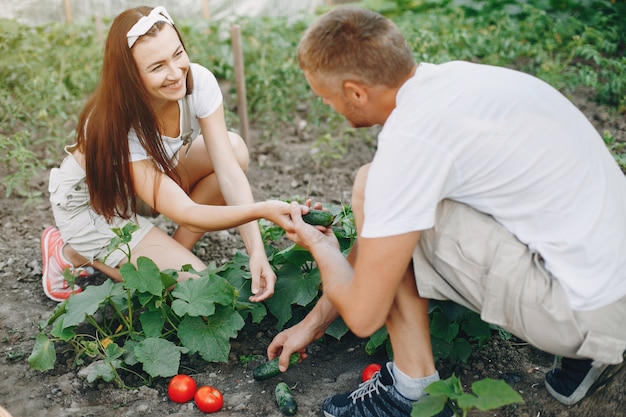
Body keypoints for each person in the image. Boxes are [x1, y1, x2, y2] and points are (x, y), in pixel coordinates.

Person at [267, 6, 626, 417]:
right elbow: (377, 246)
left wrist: (320, 247)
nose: (327, 107)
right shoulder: (453, 82)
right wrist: (312, 324)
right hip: (608, 282)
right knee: (383, 195)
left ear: (355, 91)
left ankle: (411, 390)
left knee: (376, 188)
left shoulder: (412, 141)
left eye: (325, 98)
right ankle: (590, 352)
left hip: (584, 313)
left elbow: (365, 316)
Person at [41, 6, 294, 303]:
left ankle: (173, 251)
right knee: (189, 284)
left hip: (145, 182)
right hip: (96, 205)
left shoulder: (197, 82)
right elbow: (188, 213)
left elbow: (228, 172)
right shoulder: (116, 120)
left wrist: (257, 251)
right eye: (157, 67)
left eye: (177, 54)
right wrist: (263, 210)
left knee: (234, 149)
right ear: (131, 77)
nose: (176, 73)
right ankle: (69, 250)